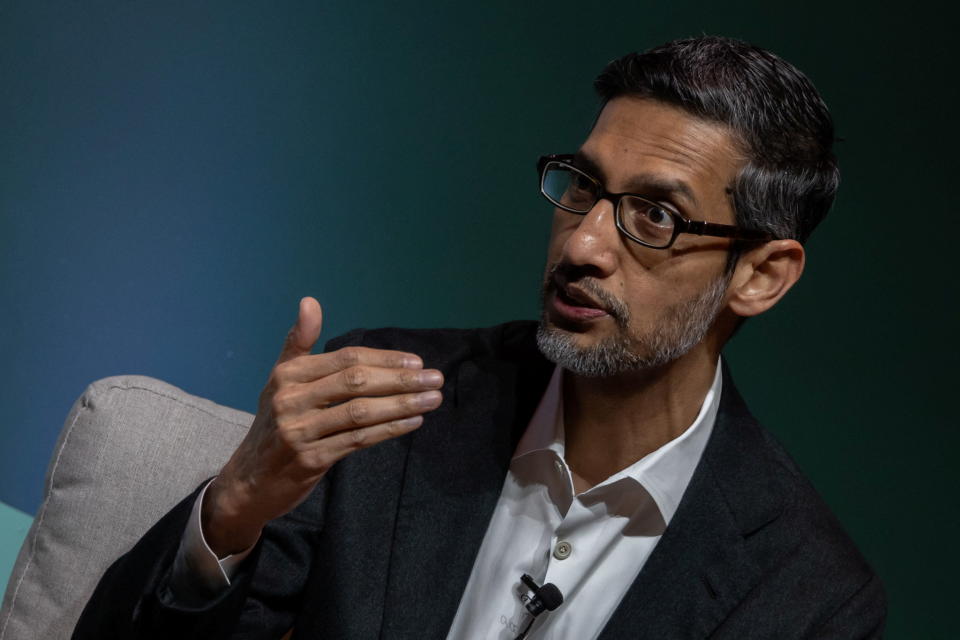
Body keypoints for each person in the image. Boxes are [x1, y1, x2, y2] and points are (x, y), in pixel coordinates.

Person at [73, 36, 886, 639]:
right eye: (581, 186)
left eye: (654, 215)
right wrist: (236, 509)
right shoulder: (389, 402)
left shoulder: (806, 593)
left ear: (762, 275)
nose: (581, 246)